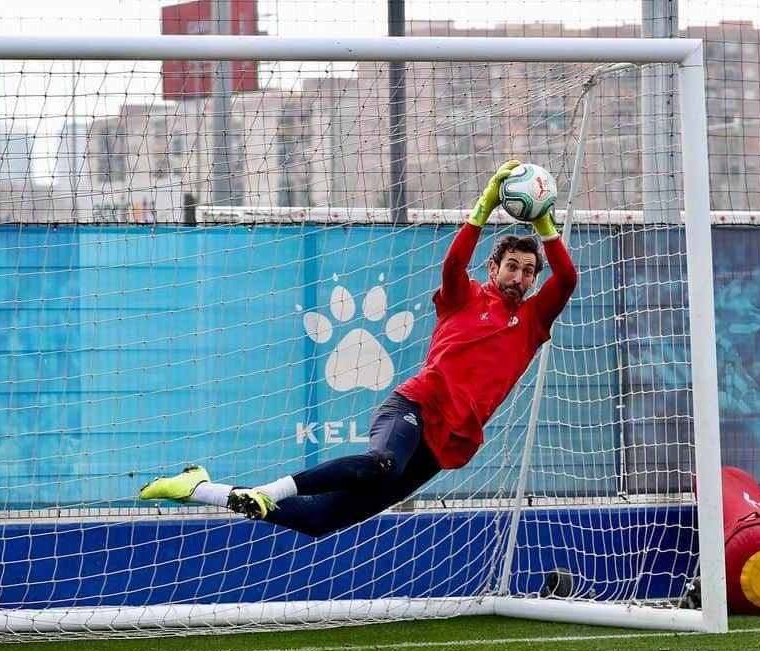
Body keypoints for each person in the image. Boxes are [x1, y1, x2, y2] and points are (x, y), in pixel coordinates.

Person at [139, 159, 578, 537]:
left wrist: (544, 223)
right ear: (493, 267)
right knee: (383, 461)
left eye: (528, 272)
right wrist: (484, 205)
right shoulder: (464, 297)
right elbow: (452, 263)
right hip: (418, 405)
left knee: (319, 521)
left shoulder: (534, 320)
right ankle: (269, 490)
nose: (519, 277)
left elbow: (568, 280)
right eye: (512, 267)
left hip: (449, 440)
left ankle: (198, 488)